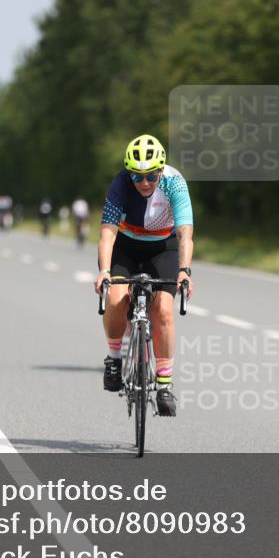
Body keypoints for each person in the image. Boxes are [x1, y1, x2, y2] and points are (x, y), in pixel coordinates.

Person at [94, 134, 194, 417]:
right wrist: (104, 271)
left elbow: (185, 232)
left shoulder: (175, 183)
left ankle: (164, 384)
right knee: (115, 298)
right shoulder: (121, 184)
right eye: (137, 176)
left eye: (151, 175)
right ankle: (114, 359)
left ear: (161, 170)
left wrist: (185, 271)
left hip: (163, 248)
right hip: (126, 246)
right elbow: (107, 233)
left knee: (163, 309)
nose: (144, 182)